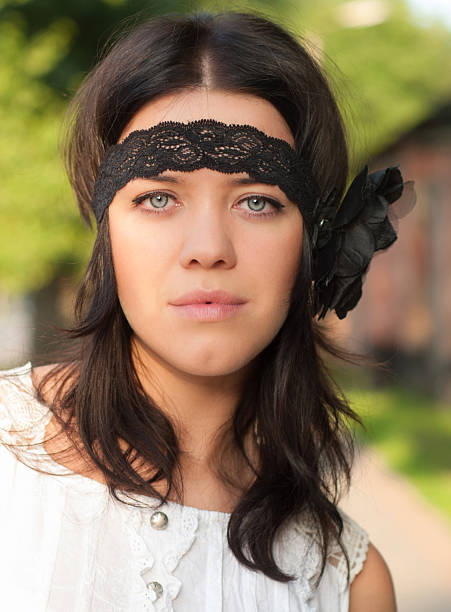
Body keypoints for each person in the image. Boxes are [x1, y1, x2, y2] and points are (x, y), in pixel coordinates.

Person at [0, 8, 410, 611]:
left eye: (258, 202)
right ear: (104, 226)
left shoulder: (349, 583)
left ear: (313, 237)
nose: (209, 250)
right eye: (158, 197)